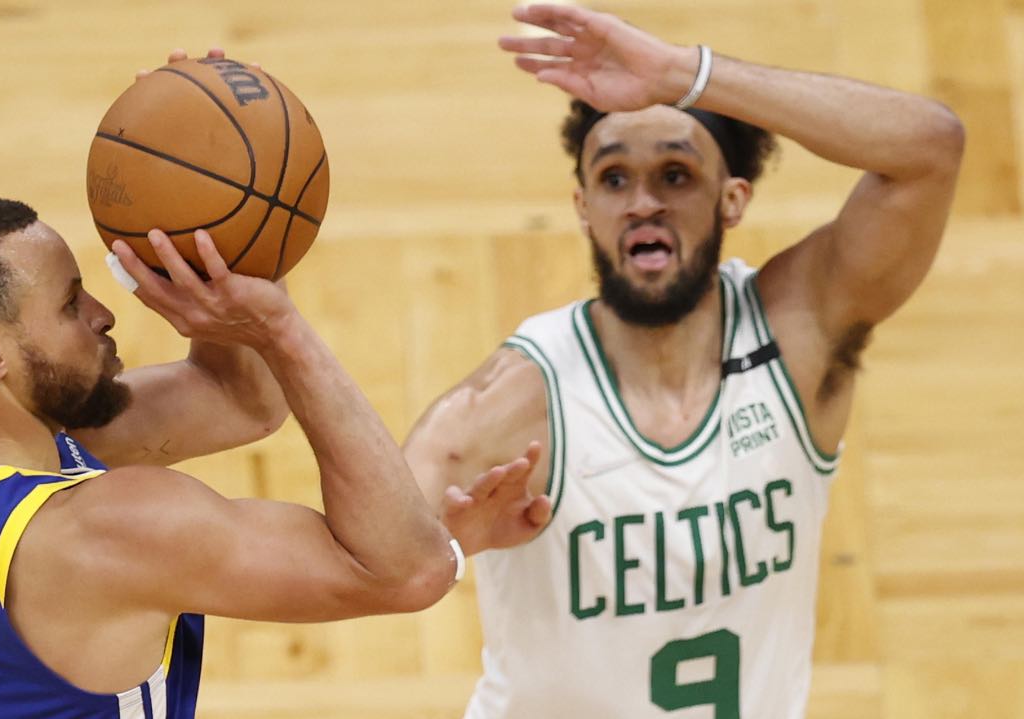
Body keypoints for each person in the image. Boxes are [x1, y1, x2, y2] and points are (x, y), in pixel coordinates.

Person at [404, 5, 964, 718]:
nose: (643, 203)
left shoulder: (799, 336)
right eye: (614, 178)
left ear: (732, 199)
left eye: (675, 174)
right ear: (582, 206)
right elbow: (367, 560)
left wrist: (685, 73)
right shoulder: (515, 402)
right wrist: (441, 555)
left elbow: (930, 149)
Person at [0, 197, 535, 719]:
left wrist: (212, 213)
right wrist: (279, 330)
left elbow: (237, 399)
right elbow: (407, 573)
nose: (102, 313)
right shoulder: (108, 532)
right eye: (70, 304)